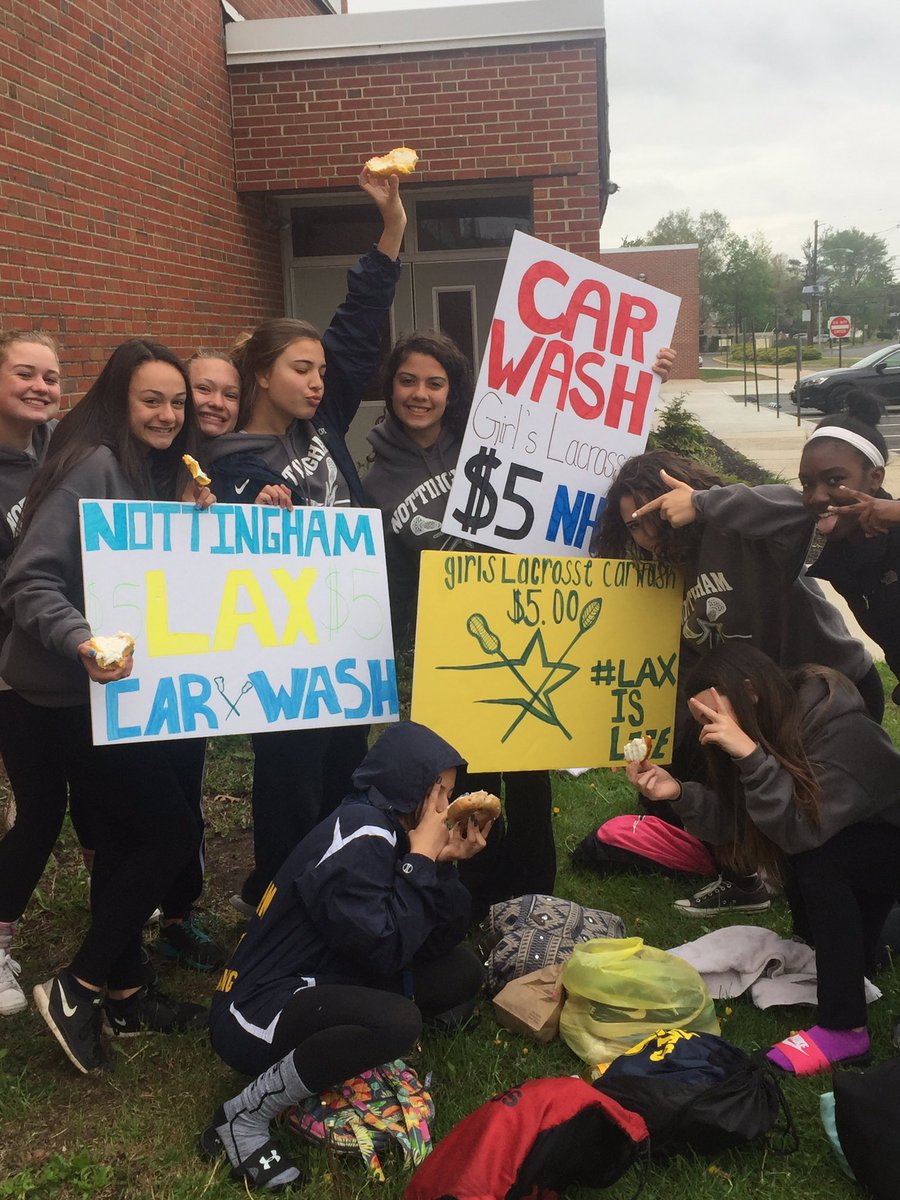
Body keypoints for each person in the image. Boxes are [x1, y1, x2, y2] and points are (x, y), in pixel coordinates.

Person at [364, 339, 676, 919]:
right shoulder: (375, 480)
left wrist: (640, 382)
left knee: (531, 762)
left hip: (528, 617)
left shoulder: (492, 441)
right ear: (390, 388)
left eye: (435, 383)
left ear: (453, 390)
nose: (420, 394)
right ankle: (476, 888)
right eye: (407, 380)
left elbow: (582, 448)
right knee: (465, 769)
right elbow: (389, 578)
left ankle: (536, 886)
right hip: (452, 641)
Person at [0, 338, 213, 1073]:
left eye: (177, 402)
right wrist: (82, 641)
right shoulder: (92, 464)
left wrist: (193, 521)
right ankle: (80, 984)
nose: (168, 414)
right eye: (151, 400)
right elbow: (29, 583)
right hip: (63, 697)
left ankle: (126, 992)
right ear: (119, 401)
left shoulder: (158, 473)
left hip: (119, 697)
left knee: (124, 839)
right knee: (168, 829)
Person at [202, 168, 408, 914]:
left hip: (347, 634)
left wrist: (391, 229)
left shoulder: (322, 423)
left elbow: (358, 321)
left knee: (346, 765)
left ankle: (333, 885)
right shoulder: (226, 461)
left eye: (321, 370)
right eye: (301, 369)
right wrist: (249, 508)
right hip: (281, 648)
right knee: (289, 772)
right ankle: (273, 896)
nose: (319, 381)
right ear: (262, 374)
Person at [202, 721, 488, 1192]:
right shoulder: (362, 833)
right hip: (258, 1009)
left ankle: (345, 1049)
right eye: (440, 792)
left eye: (450, 795)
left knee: (461, 971)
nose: (446, 807)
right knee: (397, 1023)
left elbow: (434, 942)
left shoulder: (395, 832)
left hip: (328, 975)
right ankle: (243, 1116)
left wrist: (441, 865)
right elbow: (385, 949)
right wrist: (420, 861)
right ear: (410, 784)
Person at [594, 448, 880, 916]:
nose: (648, 534)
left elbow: (798, 508)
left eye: (653, 515)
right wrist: (655, 736)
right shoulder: (667, 573)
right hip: (759, 704)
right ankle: (743, 878)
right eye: (634, 526)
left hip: (832, 693)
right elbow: (690, 663)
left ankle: (862, 895)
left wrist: (704, 503)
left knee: (823, 823)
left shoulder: (738, 530)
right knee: (708, 768)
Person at [626, 642, 900, 1076]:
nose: (707, 731)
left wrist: (751, 758)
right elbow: (744, 819)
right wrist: (677, 792)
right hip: (853, 848)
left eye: (711, 717)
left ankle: (844, 1029)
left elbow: (800, 828)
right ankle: (845, 946)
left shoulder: (836, 724)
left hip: (883, 840)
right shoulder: (761, 725)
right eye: (701, 721)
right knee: (851, 950)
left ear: (750, 692)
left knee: (819, 861)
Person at [0, 331, 65, 1016]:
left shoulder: (62, 455)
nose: (41, 387)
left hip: (73, 658)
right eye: (26, 373)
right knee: (41, 807)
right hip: (13, 669)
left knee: (94, 800)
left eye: (51, 377)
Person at [799, 390, 900, 700]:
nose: (817, 496)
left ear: (875, 478)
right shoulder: (842, 558)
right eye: (807, 483)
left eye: (834, 480)